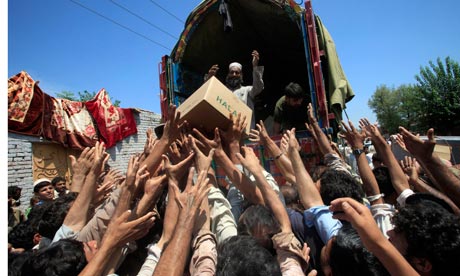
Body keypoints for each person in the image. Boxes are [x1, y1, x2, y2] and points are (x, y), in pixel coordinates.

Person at [205, 50, 264, 129]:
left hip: (244, 133)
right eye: (232, 72)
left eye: (237, 72)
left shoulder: (247, 90)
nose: (234, 74)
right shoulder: (221, 90)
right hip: (224, 131)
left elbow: (258, 87)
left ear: (241, 75)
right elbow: (207, 93)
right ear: (228, 74)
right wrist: (209, 78)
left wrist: (255, 67)